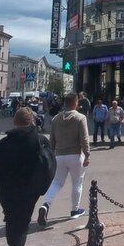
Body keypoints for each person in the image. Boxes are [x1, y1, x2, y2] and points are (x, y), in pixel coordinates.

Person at [0, 107, 55, 246]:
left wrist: (0, 190)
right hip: (30, 191)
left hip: (8, 191)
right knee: (20, 225)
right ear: (32, 121)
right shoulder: (40, 141)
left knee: (13, 224)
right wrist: (41, 188)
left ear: (15, 122)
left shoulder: (4, 143)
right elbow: (50, 166)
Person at [38, 93, 90, 225]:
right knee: (77, 183)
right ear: (76, 103)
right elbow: (84, 138)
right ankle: (74, 210)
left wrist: (52, 154)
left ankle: (45, 205)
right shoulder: (80, 118)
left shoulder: (56, 119)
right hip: (76, 154)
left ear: (65, 103)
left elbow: (52, 139)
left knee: (56, 183)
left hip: (59, 155)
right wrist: (87, 154)